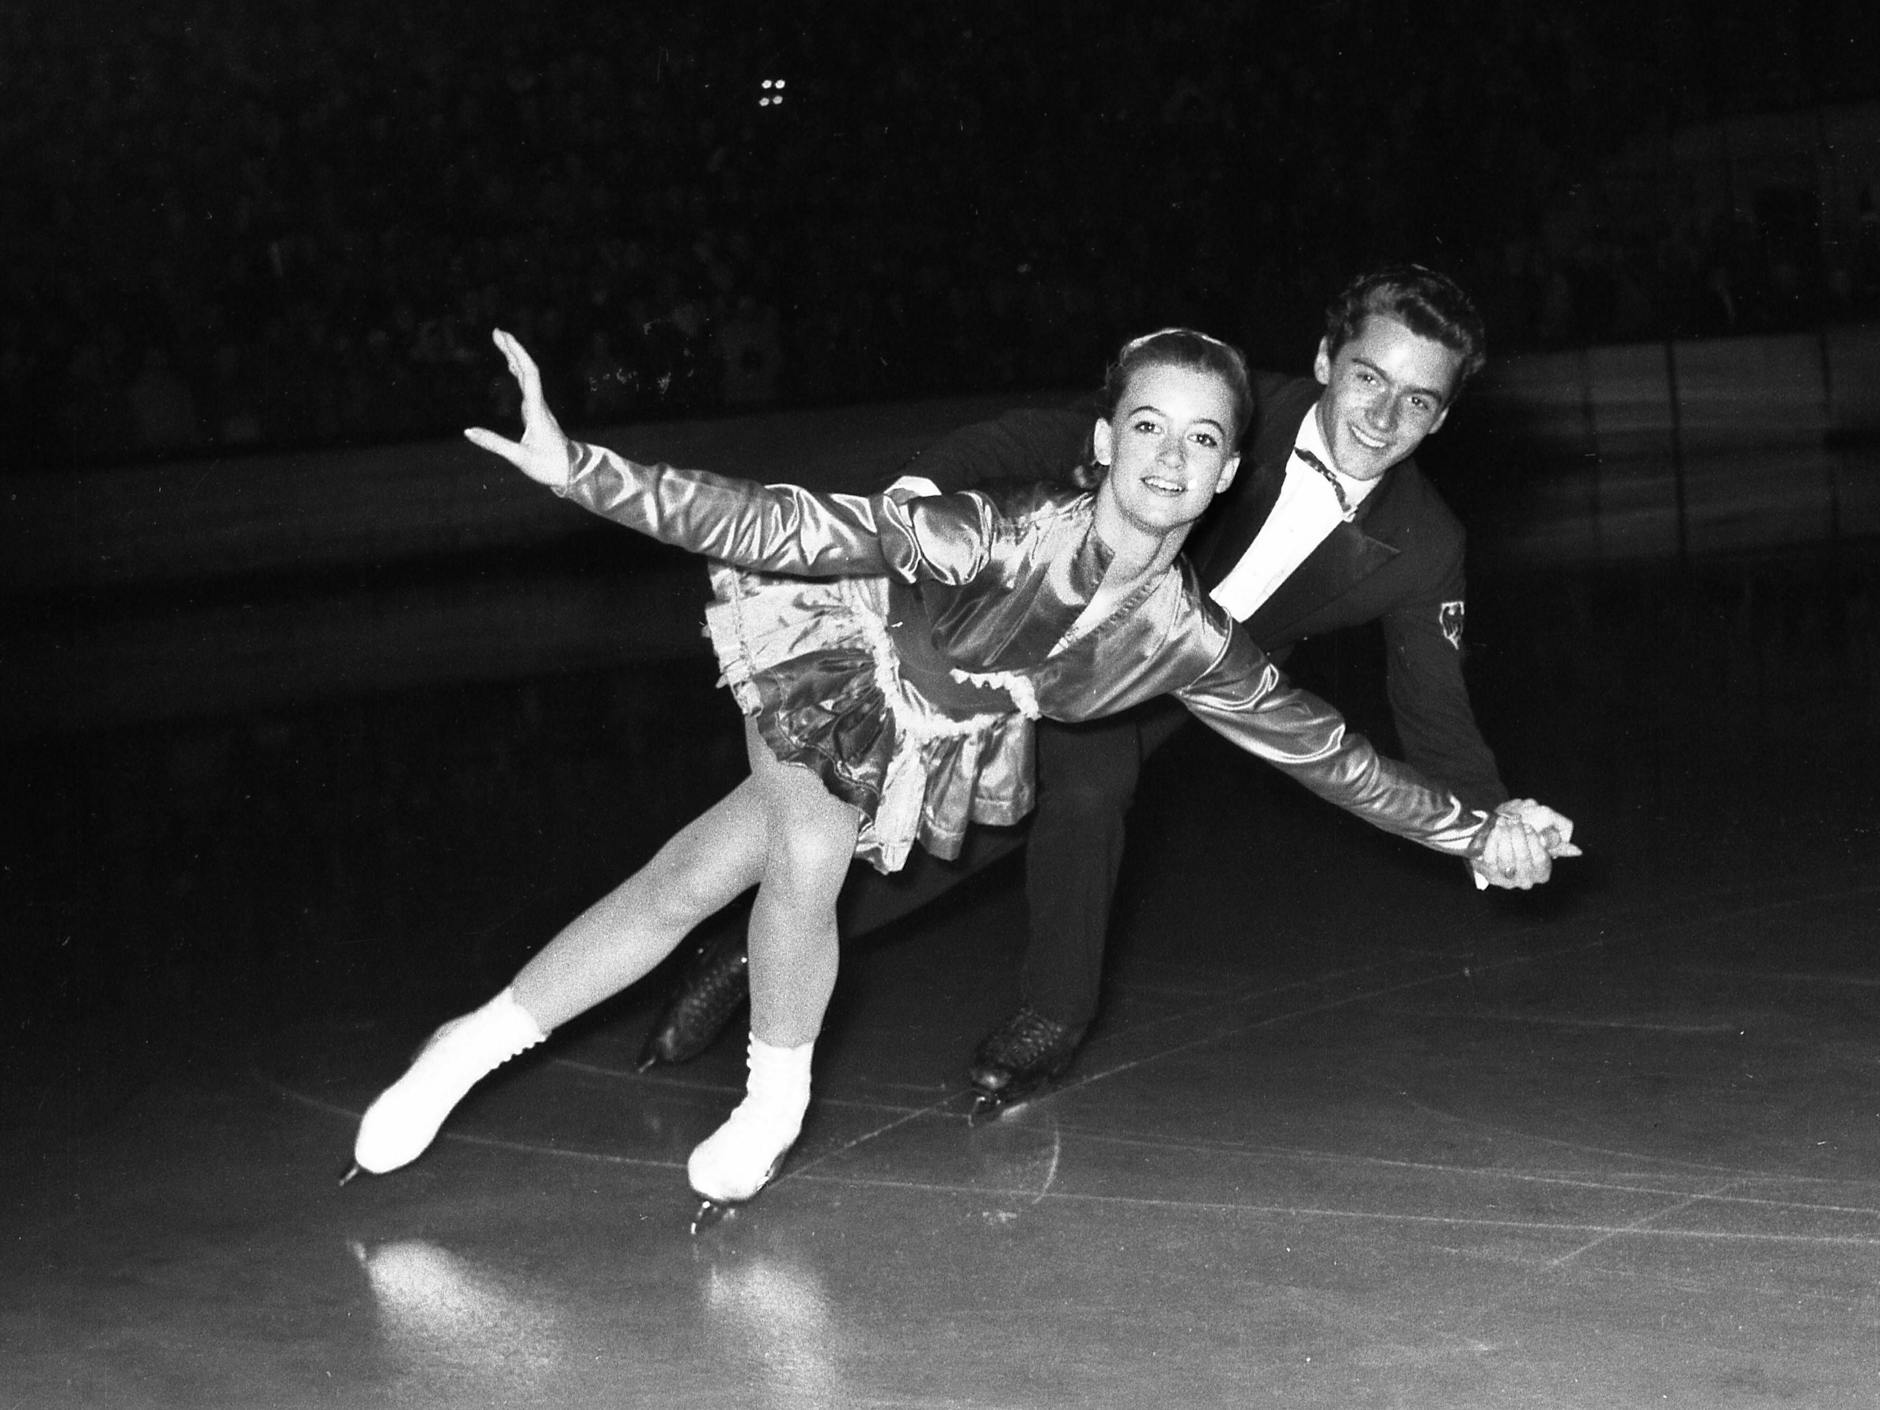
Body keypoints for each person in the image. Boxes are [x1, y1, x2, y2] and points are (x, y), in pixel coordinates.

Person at [346, 324, 1576, 1217]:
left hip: (945, 740)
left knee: (686, 882)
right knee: (811, 852)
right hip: (836, 662)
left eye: (1200, 440)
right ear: (1102, 443)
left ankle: (466, 1042)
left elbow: (1336, 756)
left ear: (1220, 475)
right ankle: (775, 1101)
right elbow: (786, 525)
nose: (1168, 454)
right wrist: (582, 473)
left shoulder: (1196, 644)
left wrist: (1471, 832)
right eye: (1145, 427)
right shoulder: (990, 531)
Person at [639, 264, 1552, 1108]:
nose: (1383, 416)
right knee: (990, 814)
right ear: (1325, 360)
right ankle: (760, 956)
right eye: (1368, 377)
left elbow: (1434, 709)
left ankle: (1050, 1015)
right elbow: (1038, 434)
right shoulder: (1224, 409)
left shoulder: (1427, 545)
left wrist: (1490, 822)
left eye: (1418, 400)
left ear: (1442, 418)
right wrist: (920, 490)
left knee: (1061, 800)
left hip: (1188, 679)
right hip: (1049, 621)